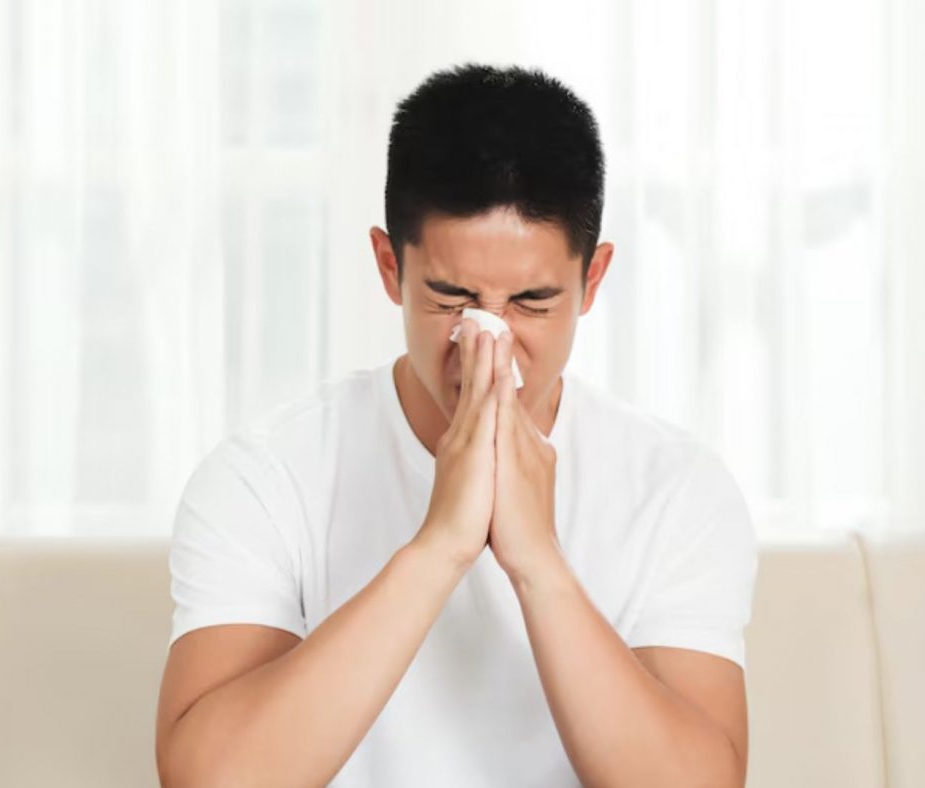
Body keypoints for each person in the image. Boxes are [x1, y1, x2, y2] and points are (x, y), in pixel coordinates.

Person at [155, 64, 757, 787]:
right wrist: (440, 546)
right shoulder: (266, 476)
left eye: (532, 302)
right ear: (390, 268)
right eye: (451, 299)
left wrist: (538, 564)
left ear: (591, 281)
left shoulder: (675, 488)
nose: (487, 341)